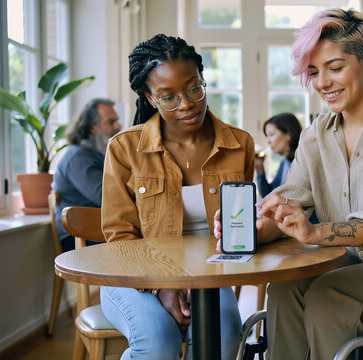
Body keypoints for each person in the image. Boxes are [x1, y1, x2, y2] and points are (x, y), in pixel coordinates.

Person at [214, 8, 363, 359]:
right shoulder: (316, 134)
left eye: (335, 68)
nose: (322, 82)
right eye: (314, 71)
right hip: (351, 258)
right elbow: (291, 197)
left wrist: (316, 234)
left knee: (328, 295)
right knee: (284, 289)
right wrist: (255, 227)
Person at [100, 34, 252, 360]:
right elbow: (121, 239)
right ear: (149, 97)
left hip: (209, 278)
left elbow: (243, 229)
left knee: (223, 342)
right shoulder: (124, 148)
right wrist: (162, 286)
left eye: (194, 88)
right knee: (158, 343)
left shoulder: (240, 145)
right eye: (168, 97)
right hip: (133, 275)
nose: (186, 104)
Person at [52, 98, 121, 252]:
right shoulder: (78, 158)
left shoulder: (95, 154)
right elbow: (108, 198)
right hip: (80, 239)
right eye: (110, 122)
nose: (118, 126)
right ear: (92, 128)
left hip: (99, 233)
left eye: (117, 120)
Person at [255, 112, 302, 197]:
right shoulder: (285, 162)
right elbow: (269, 194)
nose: (268, 141)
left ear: (288, 134)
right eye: (267, 136)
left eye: (271, 135)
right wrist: (260, 168)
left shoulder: (302, 163)